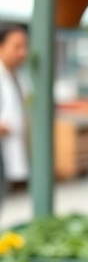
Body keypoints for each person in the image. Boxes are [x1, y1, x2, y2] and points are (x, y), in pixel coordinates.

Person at [0, 24, 29, 192]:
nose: (22, 52)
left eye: (24, 46)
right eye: (17, 47)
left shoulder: (18, 77)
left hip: (8, 151)